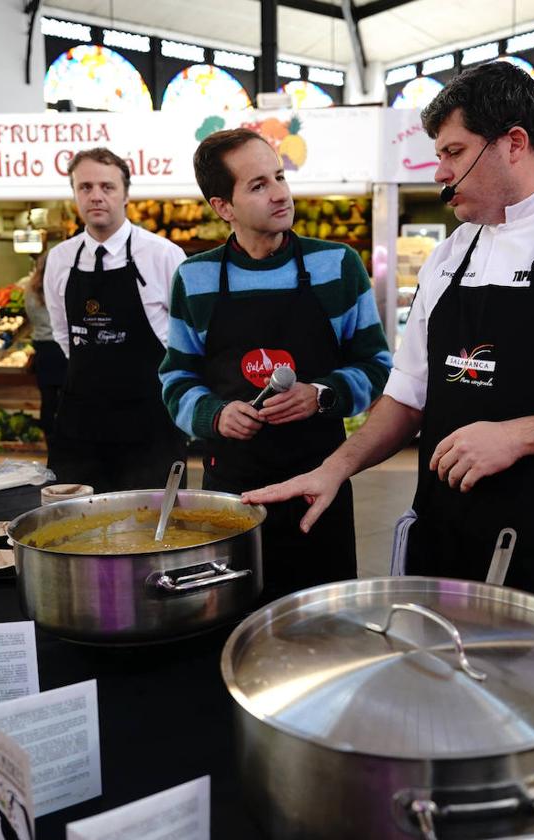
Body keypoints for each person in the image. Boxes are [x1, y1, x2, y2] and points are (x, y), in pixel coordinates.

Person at [244, 61, 534, 667]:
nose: (439, 173)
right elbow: (408, 395)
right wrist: (337, 467)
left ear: (514, 142)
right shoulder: (449, 256)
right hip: (450, 541)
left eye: (454, 152)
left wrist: (517, 436)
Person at [159, 128, 392, 603]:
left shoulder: (337, 266)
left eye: (280, 177)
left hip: (318, 485)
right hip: (231, 496)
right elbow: (176, 379)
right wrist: (215, 414)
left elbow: (378, 365)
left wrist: (322, 394)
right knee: (232, 618)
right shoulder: (195, 278)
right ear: (223, 206)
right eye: (258, 185)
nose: (281, 193)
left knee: (324, 623)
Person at [42, 147, 188, 493]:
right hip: (81, 423)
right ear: (75, 193)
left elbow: (189, 337)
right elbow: (63, 333)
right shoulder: (60, 259)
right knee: (75, 529)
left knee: (151, 528)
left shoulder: (164, 255)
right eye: (85, 187)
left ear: (126, 193)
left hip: (149, 421)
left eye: (107, 187)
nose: (96, 196)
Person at [20, 251, 67, 447]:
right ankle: (65, 440)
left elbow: (30, 318)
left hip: (42, 348)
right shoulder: (61, 287)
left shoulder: (29, 290)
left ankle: (49, 440)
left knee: (47, 398)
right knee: (67, 397)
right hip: (62, 347)